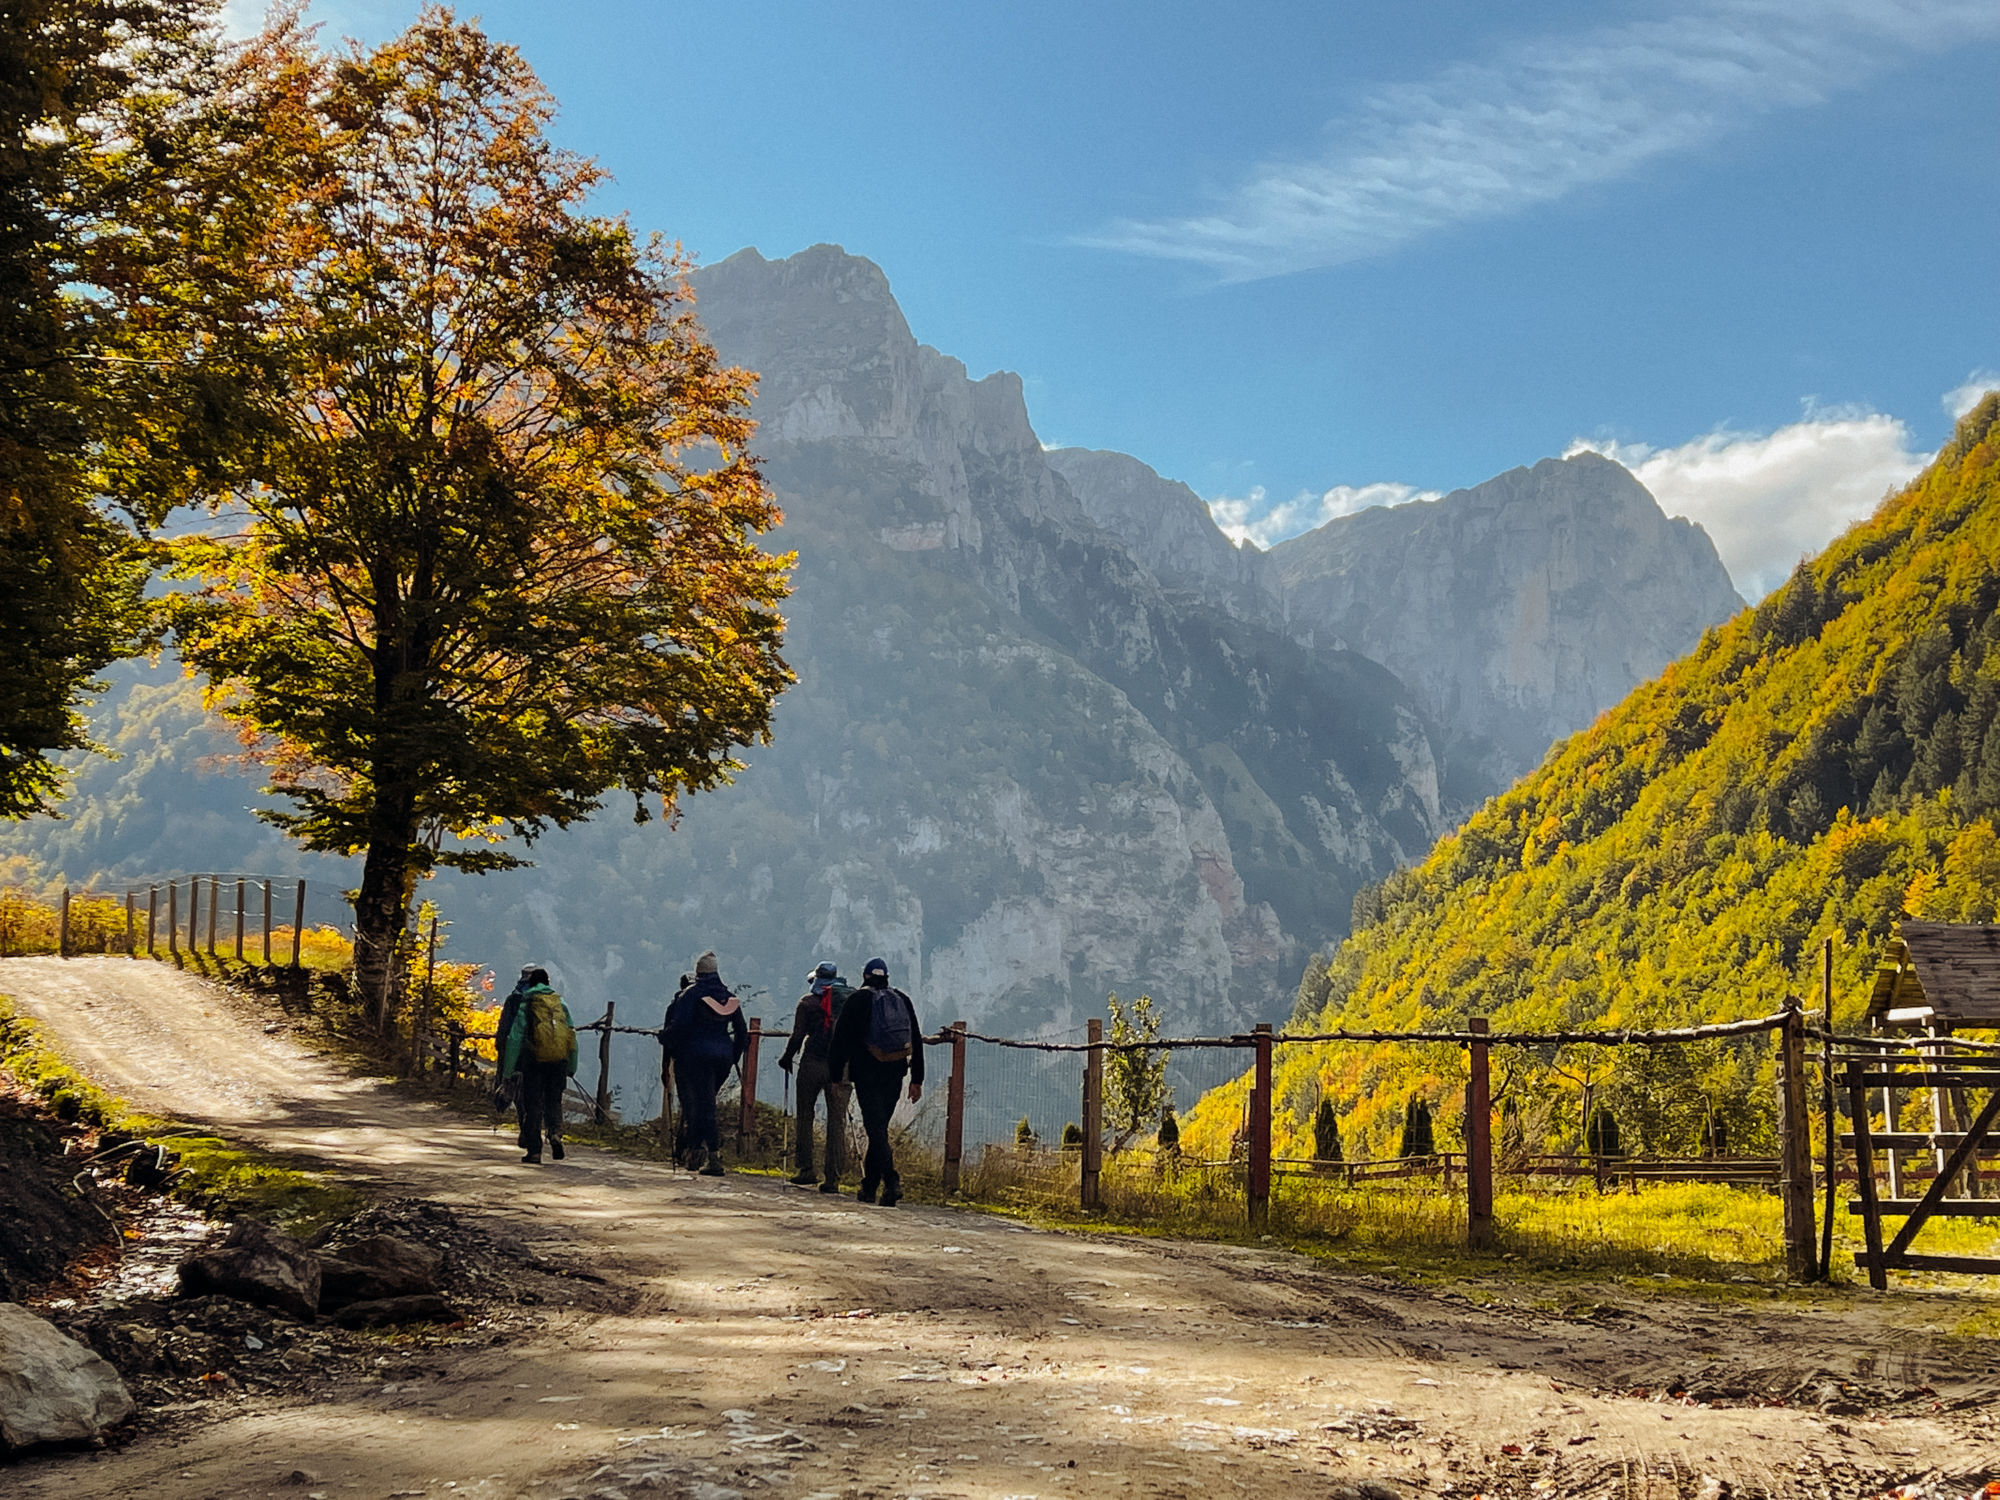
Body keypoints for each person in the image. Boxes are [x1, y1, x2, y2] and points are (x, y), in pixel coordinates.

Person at [828, 956, 923, 1206]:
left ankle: (891, 1181)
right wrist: (917, 1079)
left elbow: (840, 1040)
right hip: (895, 1073)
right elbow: (915, 1038)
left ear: (866, 976)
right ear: (887, 976)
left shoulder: (858, 999)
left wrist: (836, 1076)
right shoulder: (902, 999)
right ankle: (869, 1187)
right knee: (878, 1129)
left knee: (876, 1129)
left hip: (867, 1073)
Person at [658, 951, 747, 1176]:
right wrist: (732, 1056)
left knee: (703, 1107)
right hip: (722, 1060)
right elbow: (742, 1033)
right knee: (704, 1103)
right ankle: (694, 1151)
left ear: (698, 972)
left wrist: (665, 1039)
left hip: (695, 1058)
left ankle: (713, 1156)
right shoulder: (728, 996)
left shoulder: (690, 995)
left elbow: (679, 1027)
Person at [778, 961, 853, 1192]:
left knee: (805, 1115)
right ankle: (833, 1178)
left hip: (812, 1062)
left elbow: (798, 1035)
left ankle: (806, 1169)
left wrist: (787, 1058)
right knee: (837, 1121)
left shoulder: (807, 1003)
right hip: (840, 1066)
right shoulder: (848, 1003)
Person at [497, 967, 577, 1164]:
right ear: (548, 983)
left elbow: (514, 1038)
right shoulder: (560, 1002)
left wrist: (507, 1071)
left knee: (533, 1105)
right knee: (554, 1101)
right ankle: (555, 1133)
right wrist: (571, 1066)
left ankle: (534, 1151)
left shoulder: (527, 1002)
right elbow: (571, 1035)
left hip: (534, 1062)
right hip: (558, 1062)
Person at [492, 963, 543, 1154]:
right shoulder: (550, 1000)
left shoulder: (514, 999)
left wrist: (502, 1053)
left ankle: (525, 1129)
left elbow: (504, 1029)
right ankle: (537, 1133)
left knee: (519, 1096)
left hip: (518, 1055)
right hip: (542, 1054)